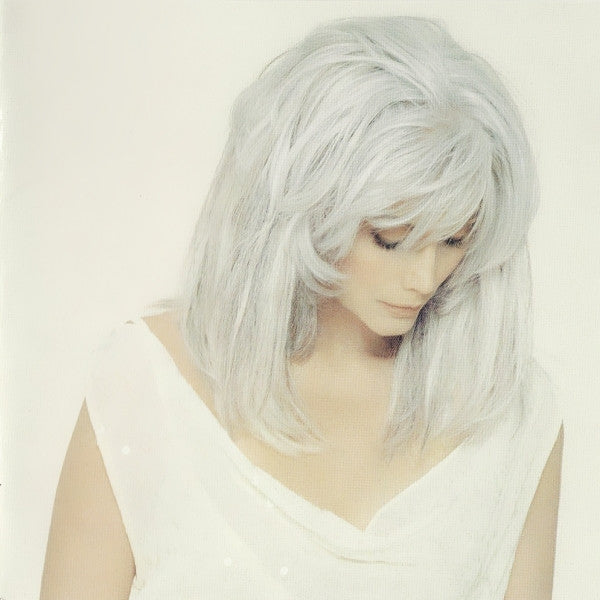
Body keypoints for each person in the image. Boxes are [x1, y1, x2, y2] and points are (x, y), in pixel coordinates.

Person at [40, 16, 563, 600]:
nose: (425, 277)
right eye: (391, 238)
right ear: (306, 208)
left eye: (454, 240)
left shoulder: (510, 414)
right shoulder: (146, 384)